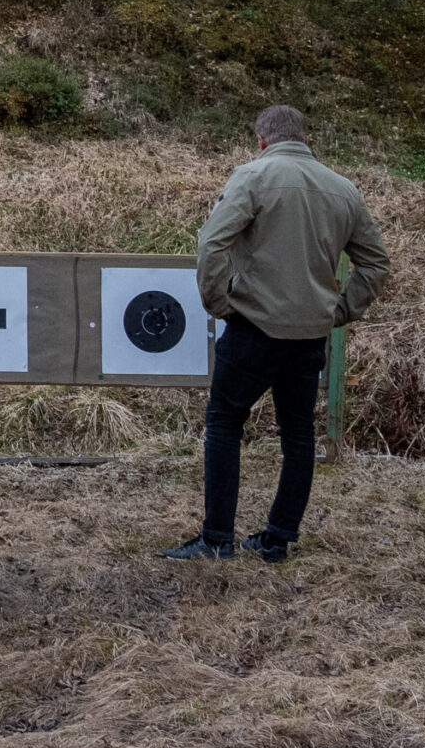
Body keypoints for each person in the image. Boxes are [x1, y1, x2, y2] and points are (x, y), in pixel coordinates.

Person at [162, 105, 391, 564]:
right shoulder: (342, 188)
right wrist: (342, 310)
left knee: (225, 424)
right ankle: (278, 537)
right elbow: (375, 263)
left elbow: (212, 243)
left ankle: (217, 538)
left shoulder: (253, 176)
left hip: (254, 329)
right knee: (298, 434)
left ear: (262, 140)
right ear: (305, 138)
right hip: (309, 335)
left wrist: (218, 302)